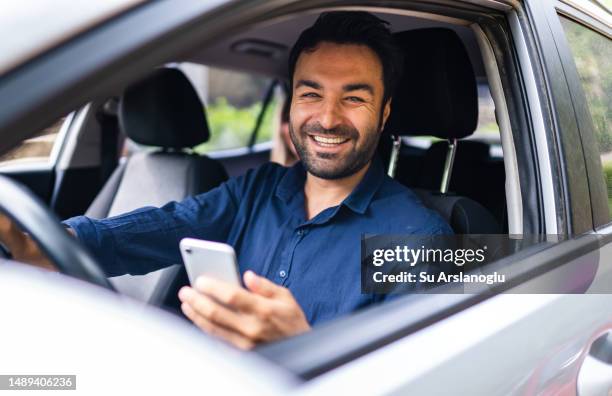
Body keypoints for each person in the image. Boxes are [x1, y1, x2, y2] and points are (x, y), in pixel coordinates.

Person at [0, 11, 452, 350]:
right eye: (310, 93)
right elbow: (147, 231)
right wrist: (33, 244)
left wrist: (299, 344)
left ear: (385, 112)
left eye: (354, 98)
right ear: (291, 103)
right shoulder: (256, 190)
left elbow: (415, 378)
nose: (327, 118)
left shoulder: (418, 239)